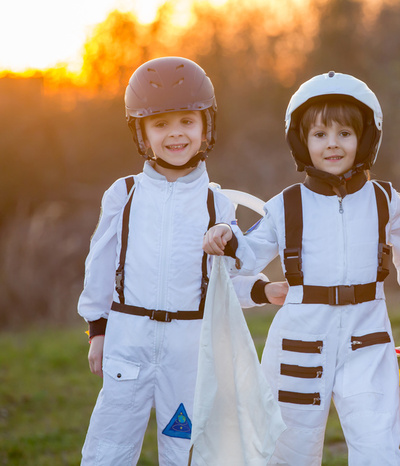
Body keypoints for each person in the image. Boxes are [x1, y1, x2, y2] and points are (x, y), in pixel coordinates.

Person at [203, 71, 400, 465]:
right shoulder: (285, 206)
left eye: (344, 134)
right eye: (320, 135)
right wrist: (226, 234)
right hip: (300, 340)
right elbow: (247, 253)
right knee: (287, 449)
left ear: (366, 139)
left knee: (377, 447)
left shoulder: (385, 201)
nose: (332, 144)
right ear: (301, 142)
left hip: (367, 338)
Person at [77, 56, 267, 465]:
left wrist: (250, 268)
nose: (175, 134)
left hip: (188, 346)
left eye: (186, 121)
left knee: (182, 447)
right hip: (129, 340)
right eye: (160, 124)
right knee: (108, 446)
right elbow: (101, 264)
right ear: (141, 133)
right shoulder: (124, 194)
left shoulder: (217, 201)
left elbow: (235, 274)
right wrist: (98, 328)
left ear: (206, 126)